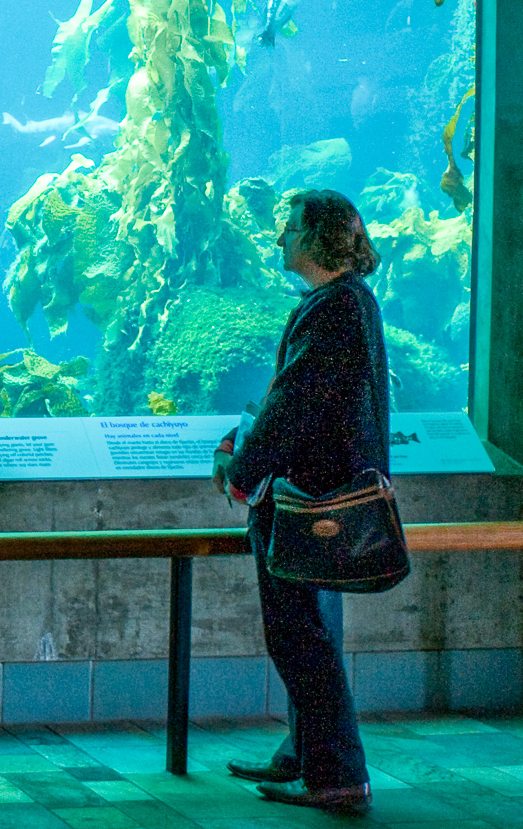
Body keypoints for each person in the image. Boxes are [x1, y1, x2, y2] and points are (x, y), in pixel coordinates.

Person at [215, 189, 386, 814]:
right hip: (319, 498)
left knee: (298, 637)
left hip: (304, 503)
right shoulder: (345, 303)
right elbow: (298, 400)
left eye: (289, 228)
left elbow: (293, 408)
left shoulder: (333, 309)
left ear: (317, 238)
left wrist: (241, 468)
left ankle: (337, 777)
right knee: (306, 633)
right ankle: (302, 756)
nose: (279, 239)